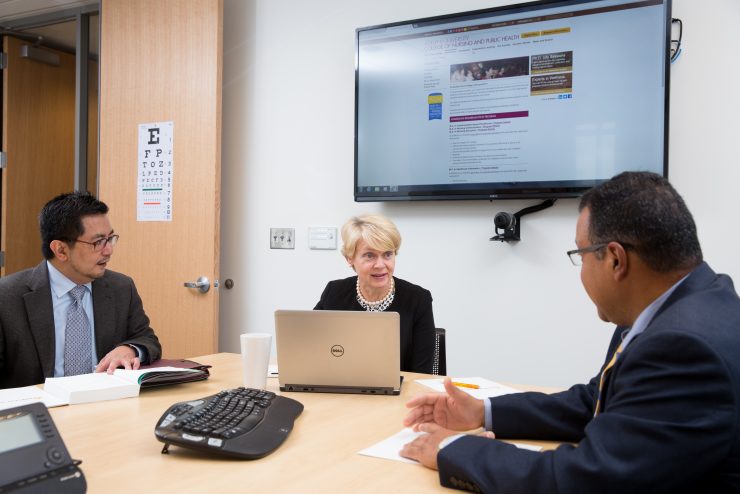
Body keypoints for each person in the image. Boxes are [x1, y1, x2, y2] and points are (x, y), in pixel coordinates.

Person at [400, 172, 740, 492]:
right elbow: (595, 402)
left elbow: (583, 479)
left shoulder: (683, 347)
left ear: (615, 260)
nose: (580, 271)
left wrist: (452, 448)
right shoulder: (691, 302)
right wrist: (483, 411)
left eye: (581, 255)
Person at [0, 192, 162, 389]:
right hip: (39, 410)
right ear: (60, 250)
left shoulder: (121, 288)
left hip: (107, 405)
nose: (109, 250)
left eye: (110, 239)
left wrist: (130, 349)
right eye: (98, 242)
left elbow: (147, 339)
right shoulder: (7, 297)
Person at [315, 214, 436, 373]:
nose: (380, 265)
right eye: (370, 255)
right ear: (349, 258)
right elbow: (311, 350)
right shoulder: (334, 292)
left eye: (387, 254)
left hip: (399, 395)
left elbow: (421, 374)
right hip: (342, 390)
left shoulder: (418, 299)